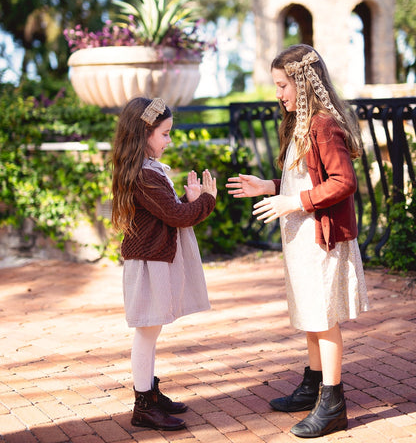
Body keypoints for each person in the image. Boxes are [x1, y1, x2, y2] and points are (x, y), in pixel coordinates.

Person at [226, 44, 369, 439]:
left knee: (323, 318)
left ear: (303, 83)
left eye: (282, 85)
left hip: (321, 239)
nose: (278, 94)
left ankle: (334, 402)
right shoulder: (301, 124)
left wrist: (294, 201)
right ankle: (312, 384)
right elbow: (303, 181)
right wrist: (269, 187)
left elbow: (343, 182)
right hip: (302, 235)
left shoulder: (323, 124)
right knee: (310, 313)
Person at [111, 96, 217, 431]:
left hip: (150, 258)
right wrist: (206, 201)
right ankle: (143, 403)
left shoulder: (145, 170)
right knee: (147, 331)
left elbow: (166, 212)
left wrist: (188, 200)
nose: (169, 140)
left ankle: (150, 393)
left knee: (150, 330)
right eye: (165, 134)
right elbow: (176, 216)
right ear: (145, 134)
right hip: (148, 263)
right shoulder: (146, 174)